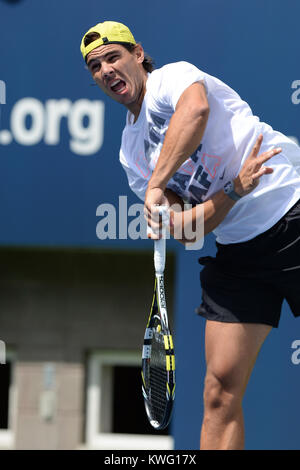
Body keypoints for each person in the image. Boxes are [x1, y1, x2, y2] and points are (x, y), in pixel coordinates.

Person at [80, 21, 300, 449]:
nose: (105, 70)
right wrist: (234, 190)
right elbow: (191, 228)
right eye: (95, 66)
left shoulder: (171, 79)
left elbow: (195, 112)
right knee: (218, 393)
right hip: (239, 253)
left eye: (112, 57)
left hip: (292, 209)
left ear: (137, 54)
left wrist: (157, 183)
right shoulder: (131, 152)